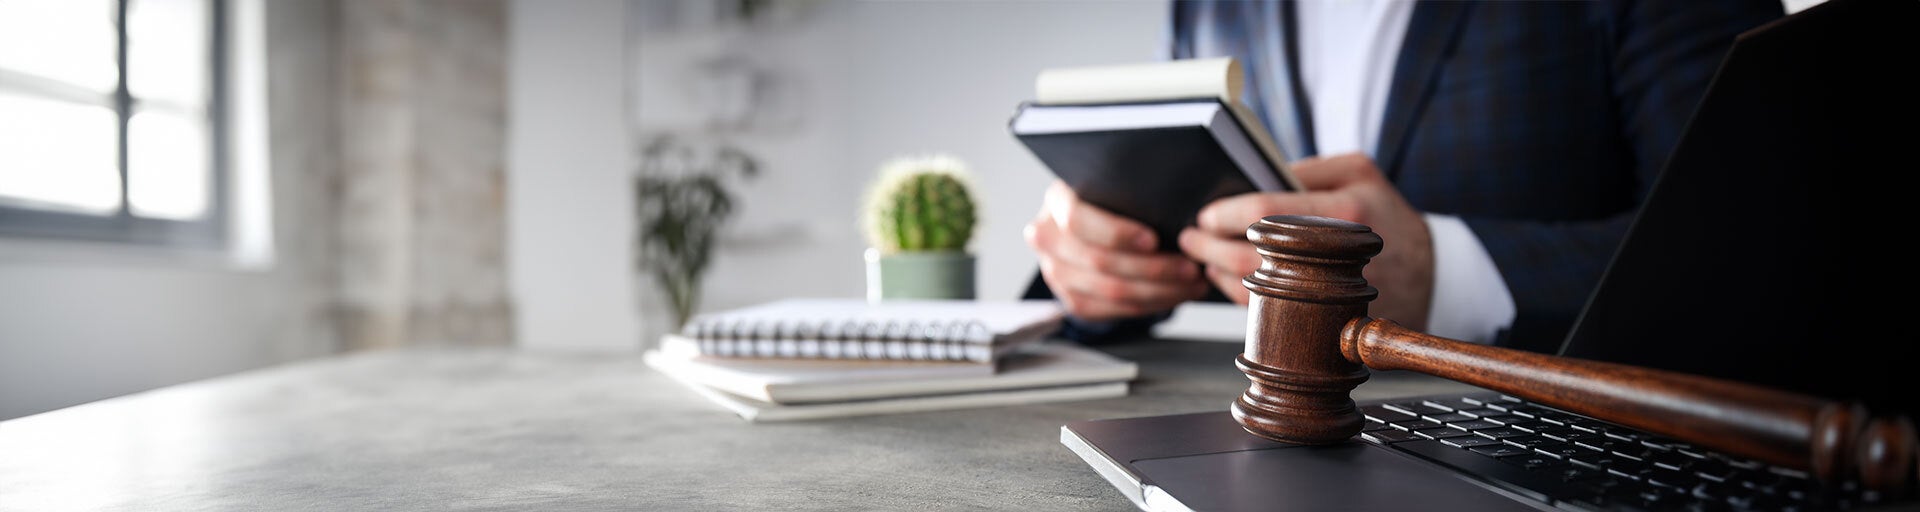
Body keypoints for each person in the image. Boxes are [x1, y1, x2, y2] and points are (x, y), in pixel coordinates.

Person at [1022, 0, 1786, 352]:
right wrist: (1096, 270)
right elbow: (1192, 219)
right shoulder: (1212, 6)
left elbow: (1762, 248)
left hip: (1550, 456)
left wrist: (1441, 273)